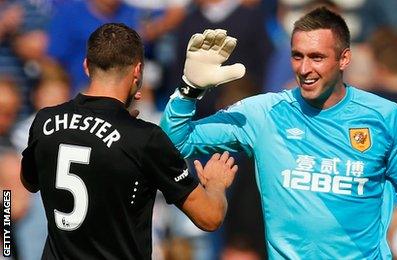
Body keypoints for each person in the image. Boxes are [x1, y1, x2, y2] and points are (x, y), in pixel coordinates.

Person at [161, 7, 397, 259]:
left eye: (317, 57)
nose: (305, 69)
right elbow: (173, 143)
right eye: (297, 56)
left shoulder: (385, 116)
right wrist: (188, 89)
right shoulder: (264, 113)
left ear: (344, 59)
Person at [20, 23, 238, 259]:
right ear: (137, 71)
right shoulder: (144, 139)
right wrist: (216, 183)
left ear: (86, 66)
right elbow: (210, 217)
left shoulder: (45, 120)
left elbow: (30, 182)